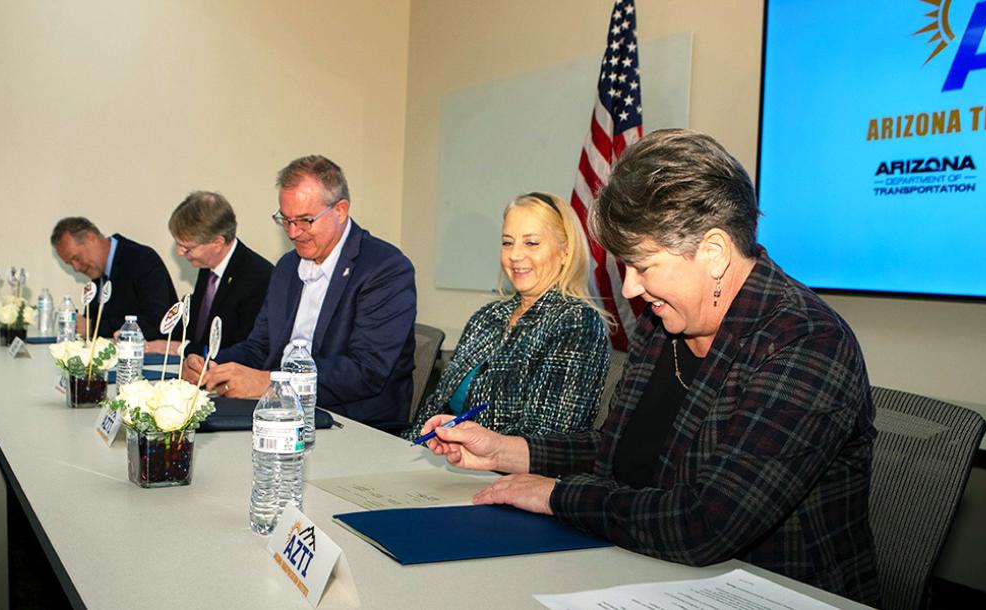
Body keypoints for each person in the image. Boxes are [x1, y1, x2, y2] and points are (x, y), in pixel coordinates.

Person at [420, 129, 881, 605]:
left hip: (774, 591)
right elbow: (617, 449)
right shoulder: (663, 322)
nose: (633, 288)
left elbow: (706, 524)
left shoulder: (804, 343)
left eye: (643, 265)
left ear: (715, 252)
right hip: (647, 571)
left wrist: (555, 495)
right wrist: (506, 453)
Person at [184, 155, 417, 430]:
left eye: (306, 220)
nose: (294, 233)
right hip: (280, 412)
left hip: (353, 422)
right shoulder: (287, 267)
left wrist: (268, 382)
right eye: (286, 220)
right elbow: (261, 347)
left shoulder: (385, 268)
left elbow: (364, 372)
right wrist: (212, 367)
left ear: (340, 210)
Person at [402, 193, 609, 439]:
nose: (514, 255)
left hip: (500, 472)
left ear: (565, 251)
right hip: (440, 457)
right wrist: (409, 446)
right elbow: (436, 404)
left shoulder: (576, 323)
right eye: (507, 242)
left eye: (531, 243)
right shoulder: (488, 316)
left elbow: (546, 438)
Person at [145, 191, 273, 356]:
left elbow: (243, 350)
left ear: (217, 243)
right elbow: (197, 331)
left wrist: (181, 348)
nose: (179, 252)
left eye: (187, 248)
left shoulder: (258, 279)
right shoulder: (208, 266)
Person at [50, 217, 177, 340]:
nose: (76, 268)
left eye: (76, 258)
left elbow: (158, 321)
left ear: (91, 237)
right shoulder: (97, 273)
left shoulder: (141, 259)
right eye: (70, 264)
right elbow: (94, 321)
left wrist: (93, 327)